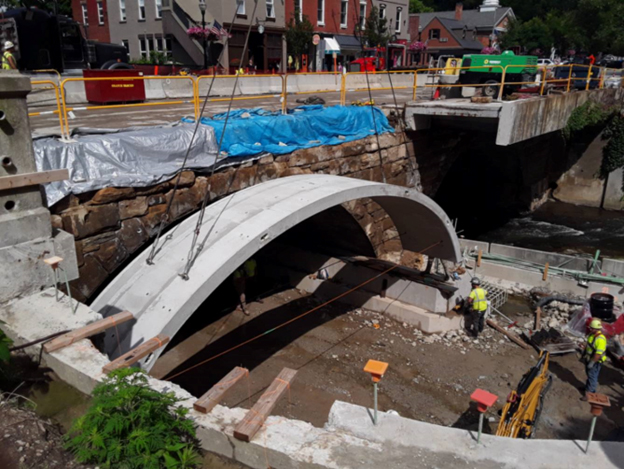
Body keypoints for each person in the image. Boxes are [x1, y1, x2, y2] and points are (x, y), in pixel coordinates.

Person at [580, 318, 607, 400]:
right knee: (589, 375)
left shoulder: (600, 339)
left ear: (596, 329)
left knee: (592, 377)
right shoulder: (592, 335)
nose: (590, 329)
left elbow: (598, 354)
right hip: (589, 358)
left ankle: (590, 394)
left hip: (595, 361)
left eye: (591, 328)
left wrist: (592, 363)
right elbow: (590, 346)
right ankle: (587, 388)